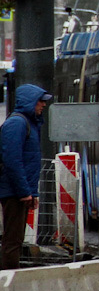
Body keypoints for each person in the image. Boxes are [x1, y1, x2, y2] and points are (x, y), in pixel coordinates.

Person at [1, 83, 52, 270]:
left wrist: (32, 192)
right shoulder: (17, 123)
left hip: (19, 190)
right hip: (14, 191)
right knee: (12, 239)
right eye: (40, 101)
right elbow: (13, 161)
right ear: (30, 102)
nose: (43, 105)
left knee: (15, 238)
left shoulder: (25, 123)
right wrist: (25, 192)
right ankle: (8, 281)